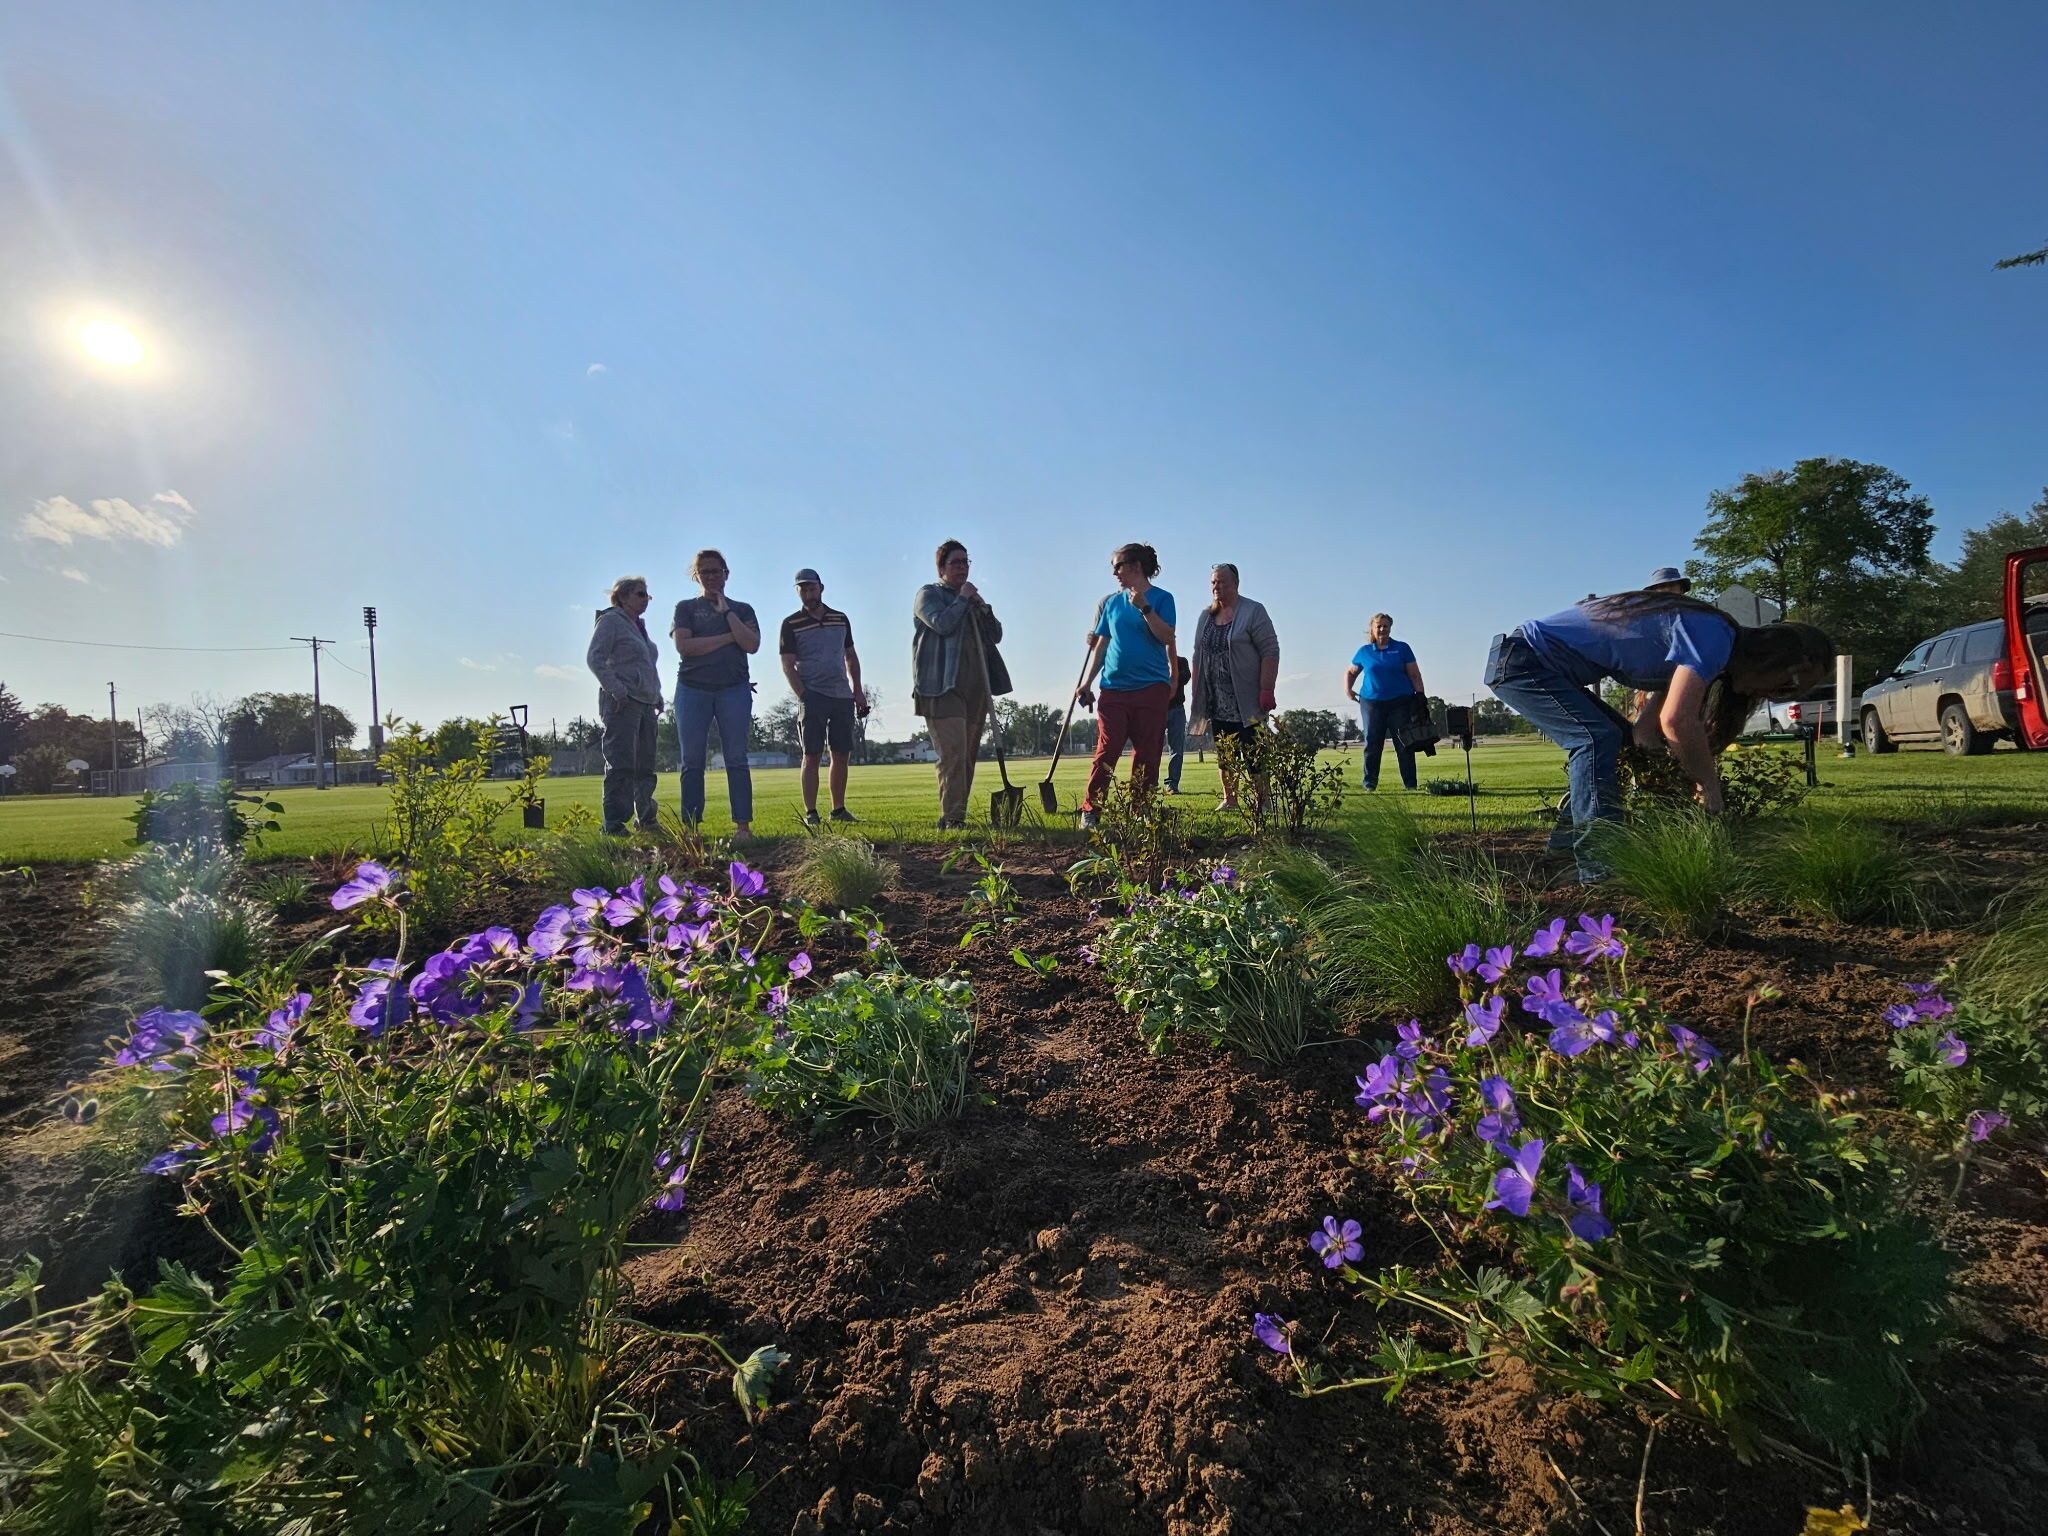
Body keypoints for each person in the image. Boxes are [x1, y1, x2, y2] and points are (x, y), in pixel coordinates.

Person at [1485, 590, 1833, 880]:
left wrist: (1647, 744)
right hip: (1522, 660)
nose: (1780, 694)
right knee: (1595, 739)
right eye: (1788, 684)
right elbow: (1677, 722)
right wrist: (1709, 787)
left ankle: (1564, 849)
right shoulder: (1713, 638)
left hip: (1536, 663)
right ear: (1779, 660)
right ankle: (1599, 866)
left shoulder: (1713, 647)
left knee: (1614, 742)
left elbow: (1650, 722)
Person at [1075, 543, 1177, 829]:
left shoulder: (1163, 598)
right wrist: (1087, 682)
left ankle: (1140, 810)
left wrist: (1144, 608)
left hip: (1151, 688)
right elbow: (1102, 644)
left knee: (1148, 752)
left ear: (1135, 567)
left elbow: (1167, 637)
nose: (1114, 573)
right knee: (1108, 749)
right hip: (1114, 689)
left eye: (1118, 566)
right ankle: (1091, 811)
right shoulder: (1111, 603)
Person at [913, 540, 1011, 829]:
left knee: (967, 757)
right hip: (941, 687)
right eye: (956, 562)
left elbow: (996, 635)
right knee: (953, 754)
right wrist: (962, 600)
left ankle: (957, 816)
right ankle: (951, 818)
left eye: (966, 562)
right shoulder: (928, 595)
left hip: (976, 689)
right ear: (941, 567)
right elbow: (941, 624)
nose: (962, 568)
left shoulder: (972, 601)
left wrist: (983, 607)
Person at [670, 548, 760, 839]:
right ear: (696, 575)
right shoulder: (685, 608)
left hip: (733, 690)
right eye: (704, 571)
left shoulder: (743, 609)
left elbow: (751, 645)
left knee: (736, 758)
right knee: (692, 761)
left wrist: (728, 614)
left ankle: (743, 827)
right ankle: (691, 828)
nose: (710, 576)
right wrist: (729, 637)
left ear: (726, 573)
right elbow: (686, 647)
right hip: (692, 690)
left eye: (716, 571)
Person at [1186, 563, 1279, 813]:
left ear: (1235, 583)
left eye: (1222, 582)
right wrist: (1196, 691)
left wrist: (1266, 688)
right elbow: (1197, 655)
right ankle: (1230, 799)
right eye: (1214, 582)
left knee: (1253, 752)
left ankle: (1263, 800)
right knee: (1225, 753)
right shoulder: (1206, 617)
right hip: (1216, 700)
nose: (1217, 586)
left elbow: (1270, 650)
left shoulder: (1253, 611)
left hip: (1247, 699)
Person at [778, 566, 867, 826]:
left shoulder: (840, 619)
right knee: (812, 754)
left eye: (812, 588)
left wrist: (857, 690)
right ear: (798, 592)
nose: (808, 593)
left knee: (841, 753)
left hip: (841, 695)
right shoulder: (791, 624)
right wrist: (804, 695)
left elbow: (850, 656)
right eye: (803, 589)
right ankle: (811, 812)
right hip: (813, 695)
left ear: (821, 588)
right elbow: (787, 665)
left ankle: (838, 809)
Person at [586, 575, 665, 835]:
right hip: (622, 703)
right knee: (621, 764)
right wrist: (617, 690)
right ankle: (614, 824)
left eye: (647, 595)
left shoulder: (638, 626)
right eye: (641, 594)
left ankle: (646, 819)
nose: (646, 600)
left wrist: (657, 693)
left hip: (645, 702)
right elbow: (594, 658)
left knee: (645, 766)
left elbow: (647, 664)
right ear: (623, 596)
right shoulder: (611, 621)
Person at [1344, 612, 1427, 791]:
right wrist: (1348, 690)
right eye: (1378, 626)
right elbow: (1351, 672)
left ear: (1390, 627)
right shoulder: (1364, 652)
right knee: (1372, 743)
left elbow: (1414, 674)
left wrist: (1420, 697)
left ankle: (1410, 784)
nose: (1382, 629)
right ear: (1372, 629)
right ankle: (1369, 783)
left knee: (1404, 743)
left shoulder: (1402, 648)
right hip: (1372, 703)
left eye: (1385, 626)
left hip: (1400, 703)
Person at [1161, 654, 1192, 794]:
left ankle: (1172, 785)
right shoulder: (1153, 660)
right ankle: (1149, 785)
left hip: (1177, 709)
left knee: (1176, 750)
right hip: (1157, 710)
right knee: (1150, 749)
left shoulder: (1181, 661)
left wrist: (1172, 669)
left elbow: (1186, 677)